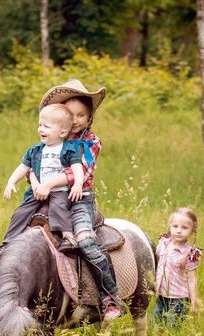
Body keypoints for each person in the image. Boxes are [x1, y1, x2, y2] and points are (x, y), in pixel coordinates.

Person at [33, 79, 126, 321]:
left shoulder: (91, 142)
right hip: (52, 198)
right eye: (70, 114)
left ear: (89, 118)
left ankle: (110, 297)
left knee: (85, 241)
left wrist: (49, 183)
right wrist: (35, 182)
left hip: (79, 199)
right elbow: (34, 164)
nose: (75, 120)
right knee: (27, 234)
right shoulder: (52, 138)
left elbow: (80, 171)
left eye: (81, 115)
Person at [0, 104, 84, 258]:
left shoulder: (69, 149)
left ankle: (68, 237)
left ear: (62, 132)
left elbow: (77, 168)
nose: (41, 129)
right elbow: (23, 167)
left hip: (59, 191)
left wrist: (78, 184)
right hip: (37, 190)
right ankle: (7, 243)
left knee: (58, 208)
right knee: (21, 212)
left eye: (46, 127)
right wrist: (11, 182)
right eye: (40, 125)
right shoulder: (36, 150)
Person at [151, 207, 202, 328]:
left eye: (184, 228)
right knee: (154, 322)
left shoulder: (189, 253)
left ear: (191, 230)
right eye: (175, 226)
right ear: (169, 226)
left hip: (179, 298)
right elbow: (157, 265)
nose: (179, 231)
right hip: (162, 295)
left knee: (172, 327)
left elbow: (192, 279)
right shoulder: (163, 244)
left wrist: (194, 301)